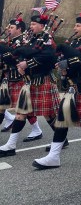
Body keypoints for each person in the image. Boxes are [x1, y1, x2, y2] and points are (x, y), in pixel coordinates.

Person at [32, 13, 81, 169]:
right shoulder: (75, 42)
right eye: (75, 25)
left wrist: (68, 62)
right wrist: (62, 66)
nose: (75, 28)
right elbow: (65, 59)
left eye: (78, 26)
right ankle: (54, 157)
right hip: (72, 87)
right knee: (62, 120)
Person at [0, 14, 60, 157]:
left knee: (49, 114)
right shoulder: (32, 39)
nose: (31, 26)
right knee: (21, 112)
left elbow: (48, 57)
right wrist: (21, 63)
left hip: (43, 79)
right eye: (31, 24)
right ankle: (11, 145)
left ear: (42, 26)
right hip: (30, 80)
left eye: (34, 24)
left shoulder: (47, 39)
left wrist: (27, 64)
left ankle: (60, 139)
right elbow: (25, 53)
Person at [0, 17, 43, 140]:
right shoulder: (9, 41)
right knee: (4, 107)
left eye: (12, 27)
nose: (9, 29)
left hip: (19, 78)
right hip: (8, 77)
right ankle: (36, 130)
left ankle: (37, 130)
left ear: (19, 29)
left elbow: (16, 56)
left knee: (23, 108)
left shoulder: (24, 41)